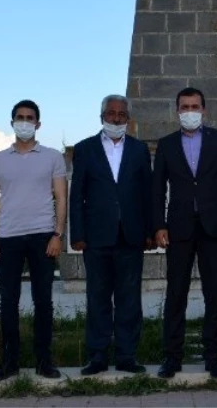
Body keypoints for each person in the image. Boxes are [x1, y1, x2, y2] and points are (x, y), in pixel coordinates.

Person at [152, 86, 217, 380]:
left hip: (214, 226)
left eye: (194, 106)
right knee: (176, 293)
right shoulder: (166, 145)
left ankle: (214, 356)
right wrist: (159, 225)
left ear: (204, 110)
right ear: (177, 110)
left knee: (214, 292)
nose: (189, 111)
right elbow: (157, 190)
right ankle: (172, 357)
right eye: (184, 107)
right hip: (178, 228)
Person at [68, 94, 154, 376]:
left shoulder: (140, 150)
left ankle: (127, 356)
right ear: (102, 115)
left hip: (131, 236)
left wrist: (150, 232)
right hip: (96, 238)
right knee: (98, 298)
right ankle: (97, 356)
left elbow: (148, 195)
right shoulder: (85, 149)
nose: (116, 118)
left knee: (130, 299)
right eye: (111, 113)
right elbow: (76, 195)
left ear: (128, 118)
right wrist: (77, 234)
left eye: (121, 114)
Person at [0, 99, 67, 382]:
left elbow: (61, 197)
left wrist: (58, 234)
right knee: (9, 302)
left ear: (38, 124)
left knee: (44, 301)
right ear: (12, 123)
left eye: (30, 118)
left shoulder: (53, 157)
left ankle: (44, 361)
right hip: (7, 237)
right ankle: (10, 363)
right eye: (20, 117)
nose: (25, 122)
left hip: (44, 236)